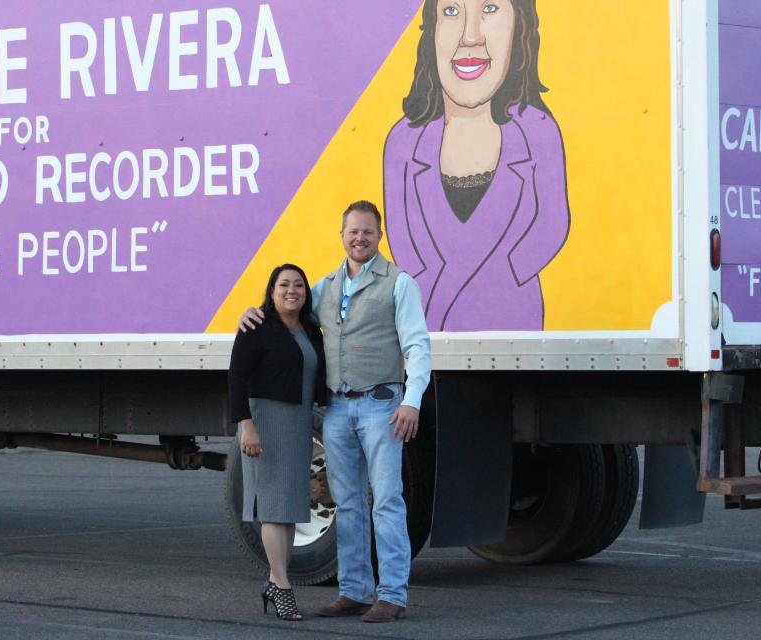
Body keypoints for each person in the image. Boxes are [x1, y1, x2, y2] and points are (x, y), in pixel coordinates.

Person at [239, 201, 431, 623]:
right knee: (347, 502)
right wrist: (253, 312)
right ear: (341, 235)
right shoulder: (324, 286)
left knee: (387, 502)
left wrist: (411, 399)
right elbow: (288, 313)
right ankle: (355, 592)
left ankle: (393, 594)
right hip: (339, 408)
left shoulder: (399, 284)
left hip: (383, 405)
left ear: (379, 236)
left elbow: (417, 346)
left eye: (367, 232)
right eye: (352, 232)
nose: (359, 238)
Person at [384, 0, 570, 331]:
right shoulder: (404, 140)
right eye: (451, 12)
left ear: (520, 27)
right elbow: (405, 246)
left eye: (491, 9)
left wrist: (501, 280)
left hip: (513, 321)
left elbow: (550, 226)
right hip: (431, 325)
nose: (470, 37)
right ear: (432, 32)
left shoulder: (538, 130)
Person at [227, 263, 328, 622]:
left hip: (298, 423)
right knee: (272, 507)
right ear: (271, 292)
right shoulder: (256, 327)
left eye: (298, 285)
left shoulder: (310, 329)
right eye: (283, 284)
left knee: (288, 510)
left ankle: (274, 582)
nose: (291, 290)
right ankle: (283, 588)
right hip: (266, 423)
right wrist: (247, 428)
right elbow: (236, 379)